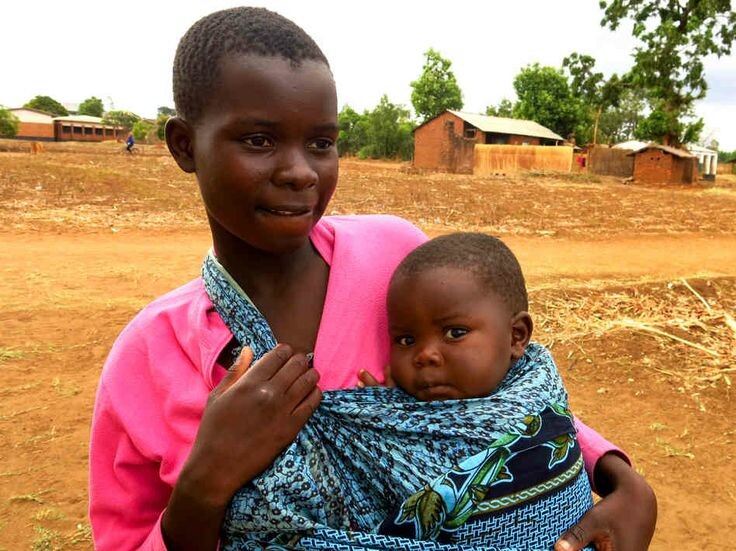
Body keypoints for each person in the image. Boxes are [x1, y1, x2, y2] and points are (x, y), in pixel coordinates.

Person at [88, 7, 656, 551]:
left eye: (321, 143)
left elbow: (501, 399)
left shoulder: (393, 256)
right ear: (185, 145)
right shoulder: (152, 357)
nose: (300, 172)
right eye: (259, 140)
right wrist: (204, 484)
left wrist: (619, 477)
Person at [218, 232, 596, 549]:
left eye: (455, 333)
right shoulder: (385, 424)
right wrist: (386, 415)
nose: (424, 355)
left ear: (516, 336)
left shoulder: (535, 391)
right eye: (405, 340)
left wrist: (619, 476)